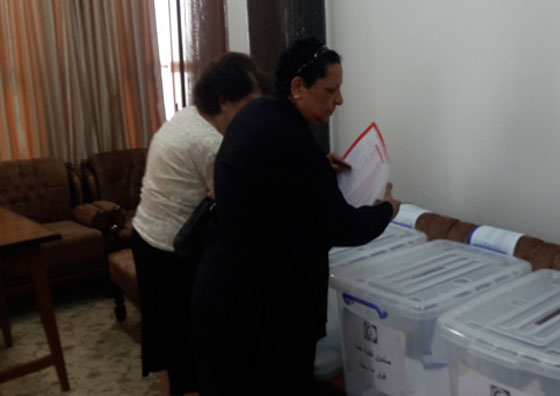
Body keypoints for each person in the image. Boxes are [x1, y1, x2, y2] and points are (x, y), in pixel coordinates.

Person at [190, 38, 400, 394]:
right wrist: (385, 210)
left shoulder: (262, 114)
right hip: (258, 312)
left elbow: (275, 185)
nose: (339, 101)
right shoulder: (287, 137)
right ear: (298, 86)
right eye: (330, 90)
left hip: (228, 291)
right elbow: (341, 226)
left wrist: (320, 167)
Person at [130, 52, 270, 395]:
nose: (257, 114)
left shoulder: (190, 116)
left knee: (169, 338)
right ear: (224, 101)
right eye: (251, 104)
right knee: (187, 344)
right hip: (171, 251)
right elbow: (241, 205)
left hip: (148, 237)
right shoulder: (209, 143)